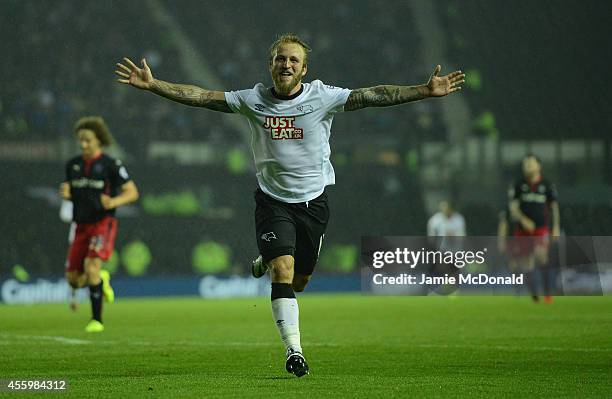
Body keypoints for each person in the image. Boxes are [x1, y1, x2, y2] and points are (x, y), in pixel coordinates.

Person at [116, 33, 464, 376]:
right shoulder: (252, 99)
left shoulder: (322, 96)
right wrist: (155, 84)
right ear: (271, 65)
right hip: (273, 202)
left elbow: (372, 95)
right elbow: (202, 96)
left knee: (299, 281)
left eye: (293, 59)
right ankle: (293, 351)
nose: (286, 64)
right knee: (283, 271)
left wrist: (424, 91)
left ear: (304, 68)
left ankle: (265, 259)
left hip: (313, 205)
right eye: (280, 58)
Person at [59, 116, 139, 332]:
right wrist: (67, 195)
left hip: (102, 223)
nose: (83, 145)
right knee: (74, 280)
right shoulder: (73, 165)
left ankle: (97, 321)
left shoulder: (110, 165)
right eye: (81, 141)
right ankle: (101, 280)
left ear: (99, 140)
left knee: (91, 267)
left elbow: (132, 193)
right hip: (81, 225)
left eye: (88, 140)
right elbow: (75, 194)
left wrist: (113, 201)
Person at [508, 154, 560, 303]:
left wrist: (555, 227)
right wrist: (523, 220)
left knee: (541, 256)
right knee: (527, 262)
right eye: (525, 164)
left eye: (531, 164)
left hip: (540, 229)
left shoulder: (547, 185)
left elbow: (554, 208)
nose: (527, 167)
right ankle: (534, 295)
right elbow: (513, 207)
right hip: (522, 231)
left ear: (538, 166)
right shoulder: (518, 185)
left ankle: (547, 293)